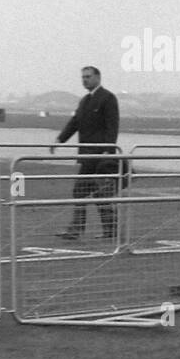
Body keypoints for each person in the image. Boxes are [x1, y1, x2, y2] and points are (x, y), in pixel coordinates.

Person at [55, 65, 119, 240]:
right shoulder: (84, 101)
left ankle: (108, 229)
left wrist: (108, 150)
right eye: (83, 77)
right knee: (81, 192)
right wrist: (60, 139)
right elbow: (74, 123)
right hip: (86, 156)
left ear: (98, 77)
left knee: (100, 193)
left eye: (88, 77)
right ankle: (78, 229)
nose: (85, 80)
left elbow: (112, 127)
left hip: (100, 156)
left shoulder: (108, 98)